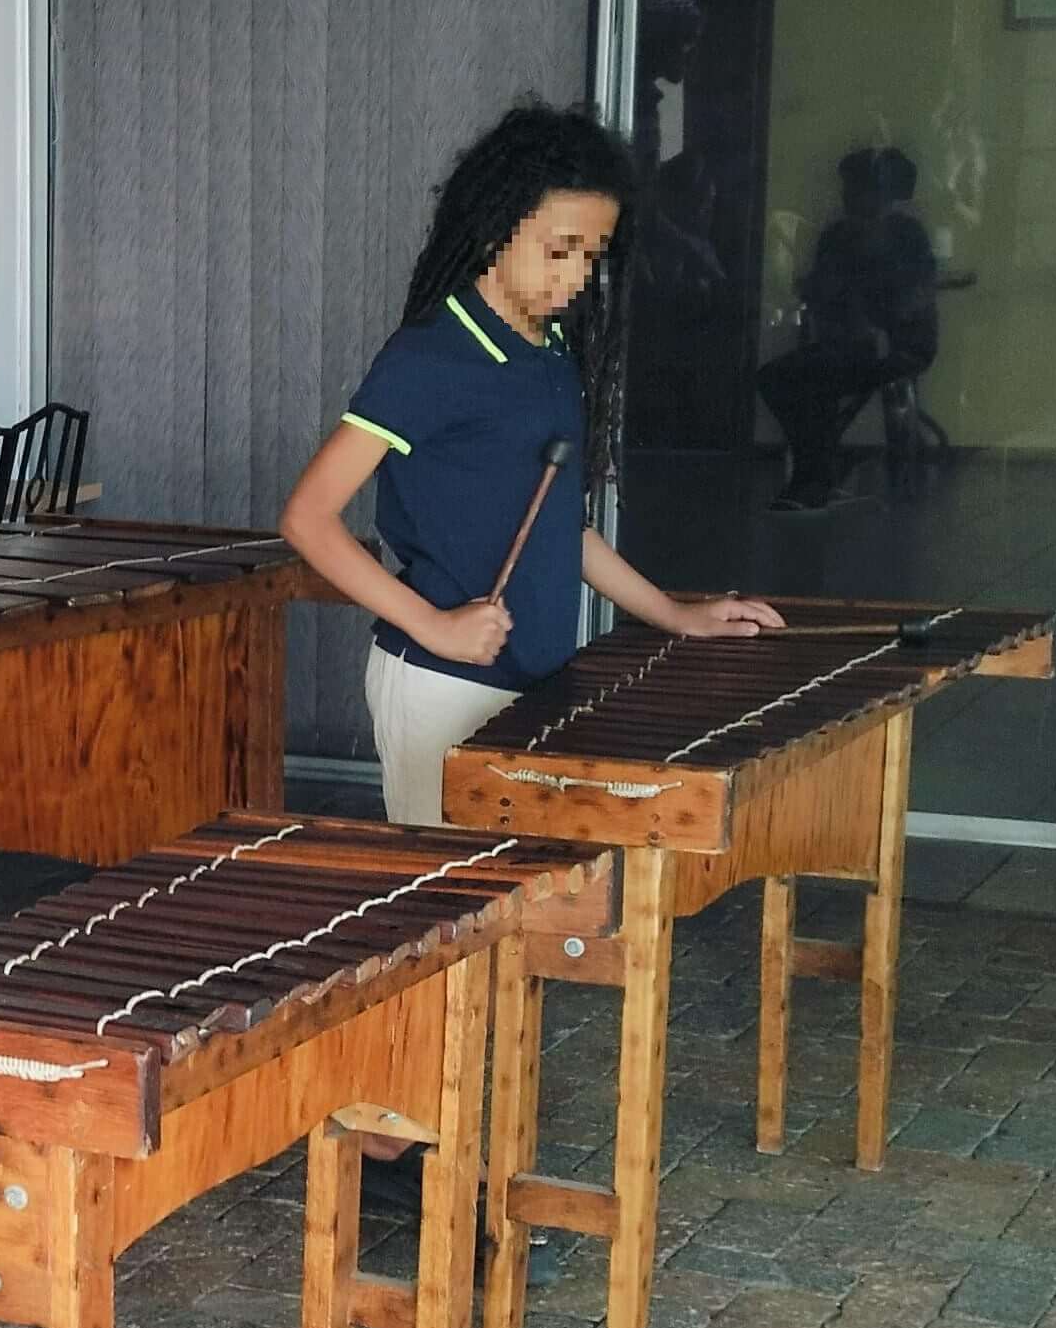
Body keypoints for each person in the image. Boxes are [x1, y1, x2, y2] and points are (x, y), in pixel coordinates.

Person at [281, 100, 786, 832]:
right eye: (560, 249)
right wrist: (435, 627)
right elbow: (307, 517)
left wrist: (675, 615)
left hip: (539, 677)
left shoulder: (547, 352)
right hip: (442, 681)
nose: (577, 275)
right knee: (449, 916)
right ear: (496, 228)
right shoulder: (432, 357)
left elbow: (558, 528)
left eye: (592, 254)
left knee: (524, 916)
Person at [761, 147, 942, 511]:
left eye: (856, 188)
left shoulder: (907, 235)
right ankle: (819, 469)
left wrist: (877, 325)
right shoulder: (838, 235)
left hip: (896, 345)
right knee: (775, 379)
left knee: (809, 381)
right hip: (846, 341)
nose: (846, 196)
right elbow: (824, 289)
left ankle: (816, 476)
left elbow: (914, 297)